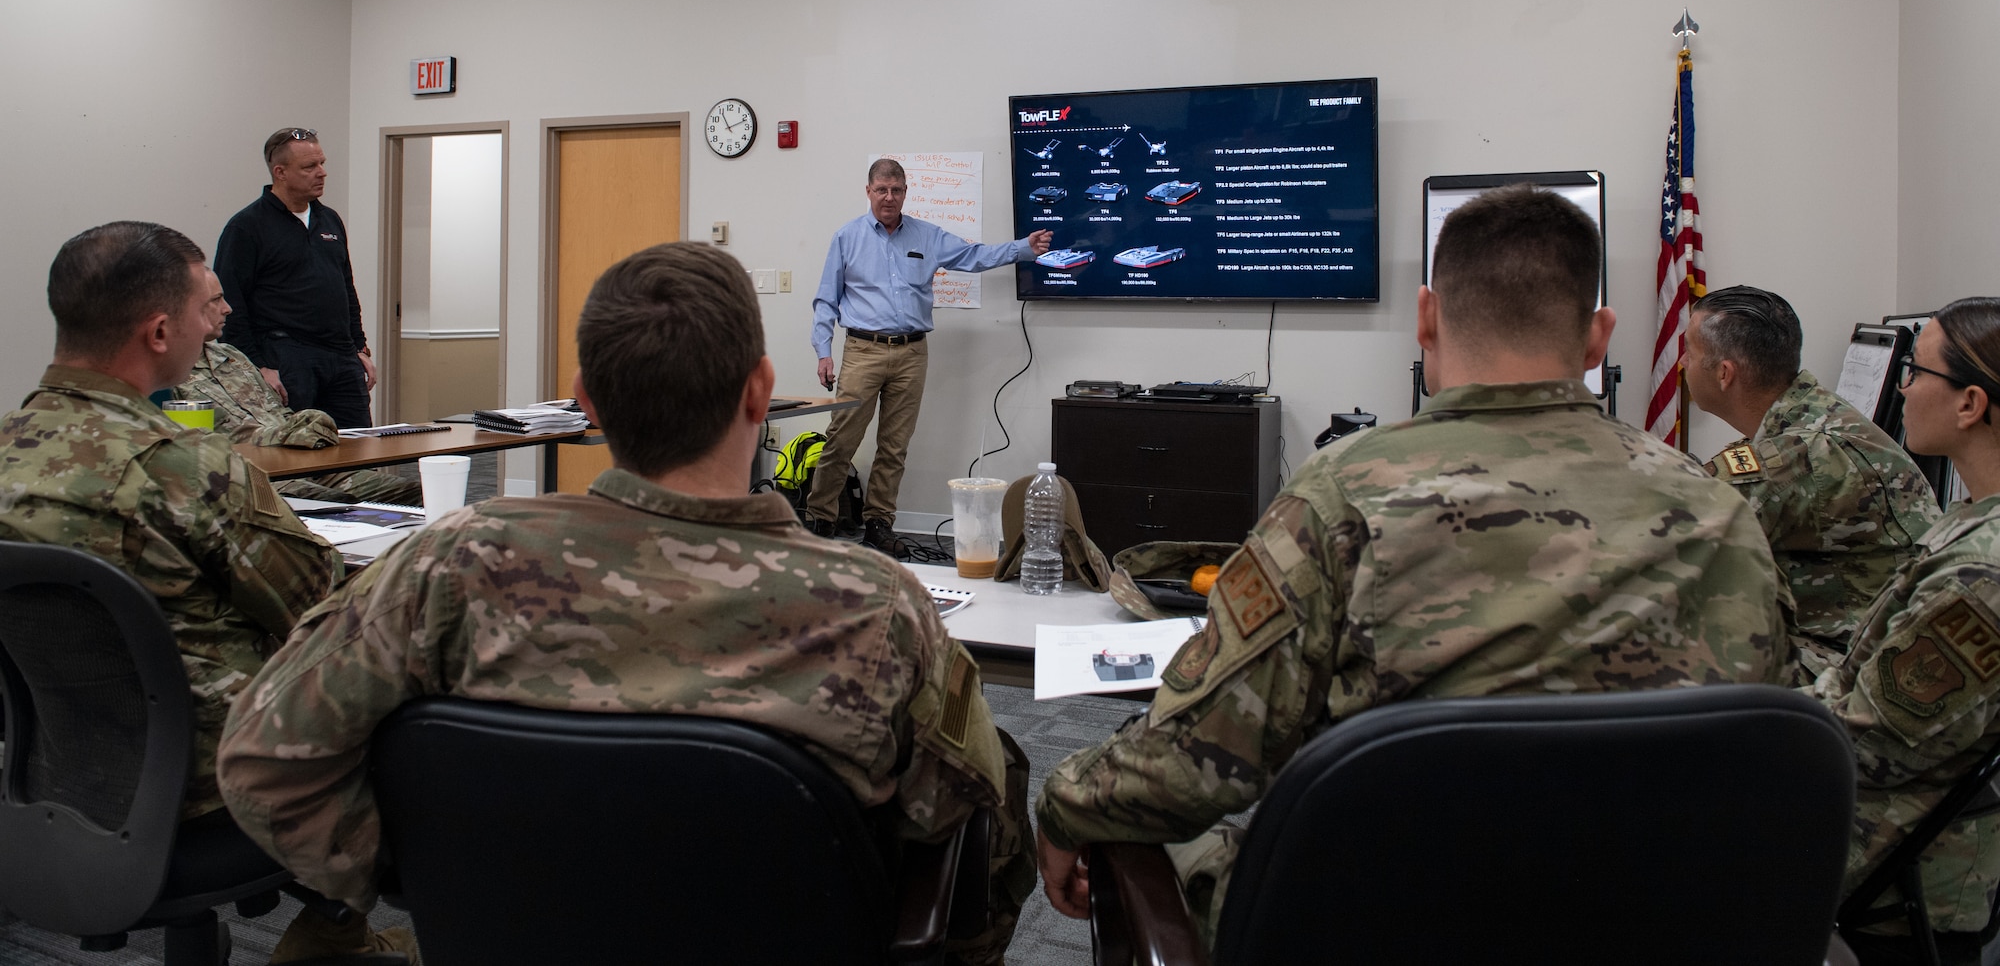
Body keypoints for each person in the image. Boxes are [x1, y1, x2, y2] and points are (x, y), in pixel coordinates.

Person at [219, 241, 1034, 964]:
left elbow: (263, 760)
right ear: (761, 391)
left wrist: (425, 875)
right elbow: (977, 840)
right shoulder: (876, 607)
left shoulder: (449, 563)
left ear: (587, 401)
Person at [1033, 186, 1786, 943]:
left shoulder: (1342, 495)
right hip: (1660, 921)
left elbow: (1197, 756)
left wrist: (1066, 803)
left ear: (1426, 316)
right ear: (1599, 338)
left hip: (1391, 920)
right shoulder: (1722, 513)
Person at [0, 223, 340, 820]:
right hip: (215, 773)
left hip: (52, 765)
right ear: (159, 332)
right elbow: (320, 610)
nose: (215, 323)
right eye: (200, 311)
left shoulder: (7, 448)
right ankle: (343, 904)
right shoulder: (186, 466)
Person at [1814, 299, 2000, 956]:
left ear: (1970, 402)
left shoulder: (1983, 575)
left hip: (1898, 881)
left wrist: (1774, 728)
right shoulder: (1972, 516)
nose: (1902, 388)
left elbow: (1876, 744)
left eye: (1915, 373)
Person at [1686, 286, 1940, 677]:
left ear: (1724, 374)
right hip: (1880, 644)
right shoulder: (1810, 414)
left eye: (1689, 352)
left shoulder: (1798, 455)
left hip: (1863, 668)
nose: (1682, 363)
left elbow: (1670, 523)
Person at [809, 158, 1053, 555]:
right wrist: (823, 352)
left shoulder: (927, 235)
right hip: (862, 351)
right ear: (868, 191)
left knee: (894, 446)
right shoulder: (846, 237)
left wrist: (1023, 249)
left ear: (906, 192)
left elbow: (974, 257)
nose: (889, 197)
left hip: (911, 353)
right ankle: (820, 518)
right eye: (881, 190)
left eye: (897, 190)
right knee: (842, 439)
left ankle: (878, 524)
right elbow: (825, 300)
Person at [178, 269, 421, 507]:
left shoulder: (232, 357)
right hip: (258, 479)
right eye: (216, 299)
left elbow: (281, 416)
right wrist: (289, 435)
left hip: (311, 467)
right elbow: (200, 454)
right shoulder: (173, 377)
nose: (228, 308)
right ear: (184, 308)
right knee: (337, 505)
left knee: (418, 493)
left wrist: (307, 428)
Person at [215, 127, 375, 428]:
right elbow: (230, 303)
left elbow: (345, 289)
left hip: (340, 357)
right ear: (280, 172)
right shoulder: (247, 227)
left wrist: (359, 348)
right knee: (299, 452)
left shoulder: (329, 220)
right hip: (287, 357)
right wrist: (256, 366)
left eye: (322, 163)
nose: (322, 173)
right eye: (309, 167)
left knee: (358, 450)